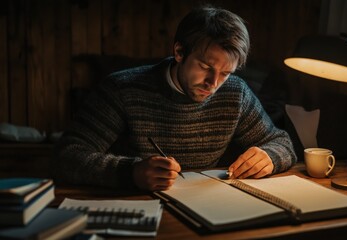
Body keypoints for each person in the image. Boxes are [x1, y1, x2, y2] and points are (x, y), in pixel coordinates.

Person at [53, 5, 297, 191]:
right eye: (205, 66)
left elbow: (281, 142)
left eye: (225, 73)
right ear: (179, 51)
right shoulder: (122, 89)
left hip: (209, 207)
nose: (213, 84)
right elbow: (66, 156)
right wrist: (131, 172)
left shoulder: (235, 92)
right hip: (139, 209)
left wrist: (269, 157)